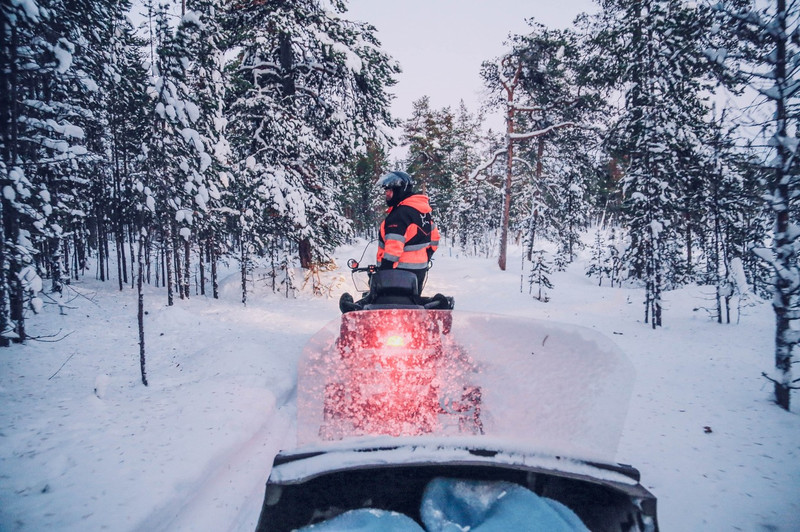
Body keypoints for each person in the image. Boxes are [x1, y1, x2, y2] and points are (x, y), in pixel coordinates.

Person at [375, 170, 439, 294]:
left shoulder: (400, 215)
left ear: (400, 190)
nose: (386, 194)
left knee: (391, 308)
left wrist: (384, 270)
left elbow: (394, 246)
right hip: (419, 271)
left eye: (389, 190)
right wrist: (426, 256)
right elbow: (435, 237)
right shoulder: (421, 211)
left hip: (398, 273)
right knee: (411, 306)